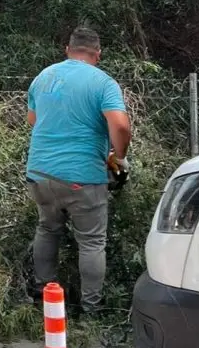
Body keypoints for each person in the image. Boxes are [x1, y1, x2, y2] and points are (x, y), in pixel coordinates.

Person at [24, 27, 132, 313]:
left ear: (67, 49)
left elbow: (33, 120)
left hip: (40, 173)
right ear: (98, 54)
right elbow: (120, 126)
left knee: (47, 229)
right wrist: (118, 158)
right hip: (81, 176)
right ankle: (91, 309)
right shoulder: (103, 82)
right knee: (92, 242)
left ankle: (44, 296)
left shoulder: (42, 77)